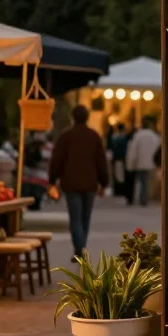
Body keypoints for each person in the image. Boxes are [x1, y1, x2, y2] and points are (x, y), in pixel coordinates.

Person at [48, 105, 109, 257]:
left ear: (73, 117)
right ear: (87, 117)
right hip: (90, 183)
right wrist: (104, 183)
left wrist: (52, 180)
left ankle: (79, 248)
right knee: (85, 218)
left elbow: (57, 160)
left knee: (75, 218)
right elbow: (101, 161)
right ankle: (81, 246)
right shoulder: (94, 136)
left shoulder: (65, 136)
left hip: (70, 183)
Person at [125, 116, 161, 207]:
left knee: (141, 181)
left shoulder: (138, 135)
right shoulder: (154, 136)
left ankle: (142, 197)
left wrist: (130, 164)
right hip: (151, 163)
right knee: (146, 182)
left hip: (140, 163)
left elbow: (133, 151)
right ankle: (144, 198)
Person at [109, 123, 131, 197]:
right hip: (123, 158)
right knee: (123, 174)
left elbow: (112, 147)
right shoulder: (125, 136)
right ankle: (122, 191)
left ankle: (117, 190)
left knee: (116, 174)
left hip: (116, 158)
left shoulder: (114, 136)